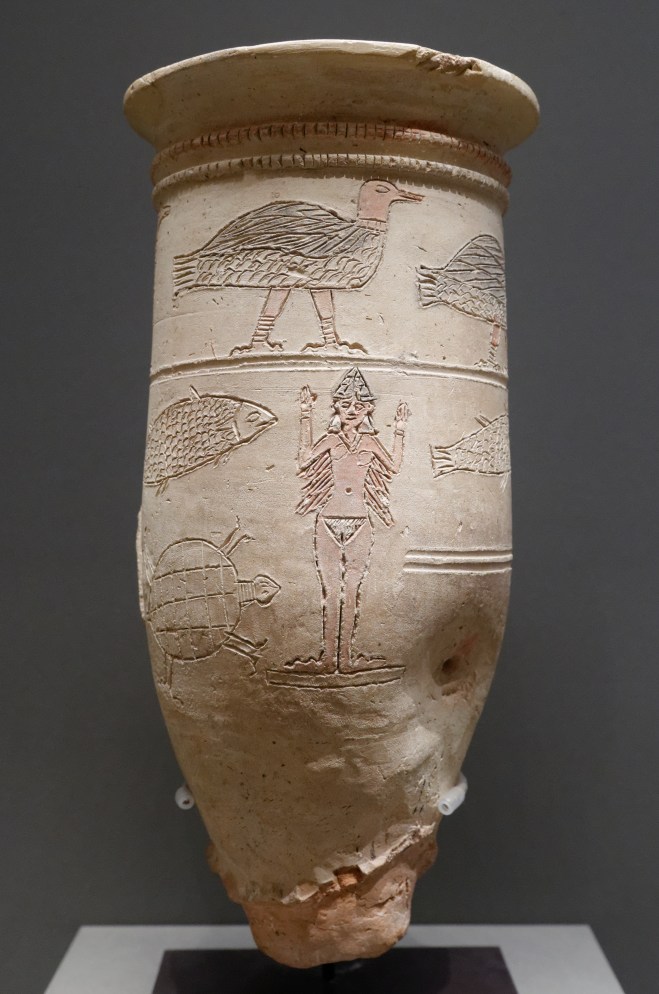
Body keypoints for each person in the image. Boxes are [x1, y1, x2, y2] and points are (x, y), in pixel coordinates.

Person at [288, 367, 409, 674]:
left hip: (359, 521)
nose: (351, 411)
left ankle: (346, 660)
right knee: (331, 592)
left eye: (358, 406)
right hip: (328, 519)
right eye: (344, 405)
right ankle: (329, 659)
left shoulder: (369, 443)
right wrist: (306, 415)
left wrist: (399, 430)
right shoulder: (331, 440)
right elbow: (304, 460)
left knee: (351, 591)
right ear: (336, 408)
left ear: (367, 410)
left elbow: (394, 466)